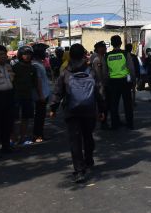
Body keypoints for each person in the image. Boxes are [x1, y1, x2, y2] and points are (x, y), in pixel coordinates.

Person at [49, 43, 105, 183]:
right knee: (88, 135)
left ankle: (79, 170)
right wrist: (102, 109)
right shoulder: (91, 71)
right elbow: (99, 91)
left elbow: (58, 91)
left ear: (70, 56)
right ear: (83, 55)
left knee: (75, 140)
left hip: (71, 111)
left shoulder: (65, 71)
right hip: (89, 110)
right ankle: (89, 159)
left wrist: (53, 108)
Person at [104, 35, 135, 130]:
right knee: (127, 104)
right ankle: (130, 124)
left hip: (112, 82)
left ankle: (115, 124)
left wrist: (106, 83)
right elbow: (131, 69)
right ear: (121, 43)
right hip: (125, 81)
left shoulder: (107, 55)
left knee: (114, 104)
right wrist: (132, 81)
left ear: (112, 44)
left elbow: (105, 72)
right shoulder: (125, 54)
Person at [11, 46, 37, 145]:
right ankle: (13, 138)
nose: (27, 56)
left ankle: (22, 138)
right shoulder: (15, 67)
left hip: (28, 96)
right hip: (15, 96)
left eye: (29, 54)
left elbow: (35, 83)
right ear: (20, 55)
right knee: (14, 118)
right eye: (25, 54)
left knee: (26, 117)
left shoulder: (33, 68)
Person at [31, 44, 51, 142]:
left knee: (41, 115)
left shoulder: (39, 63)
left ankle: (40, 134)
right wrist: (41, 95)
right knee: (39, 115)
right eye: (43, 51)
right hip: (40, 95)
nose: (45, 53)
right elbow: (37, 81)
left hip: (44, 94)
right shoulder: (35, 65)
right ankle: (37, 135)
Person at [89, 41, 109, 128]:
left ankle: (103, 121)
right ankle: (103, 122)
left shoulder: (103, 58)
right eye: (104, 47)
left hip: (104, 85)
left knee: (105, 105)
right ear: (99, 49)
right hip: (100, 86)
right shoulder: (97, 59)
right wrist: (102, 86)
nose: (105, 49)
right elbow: (98, 74)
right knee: (102, 105)